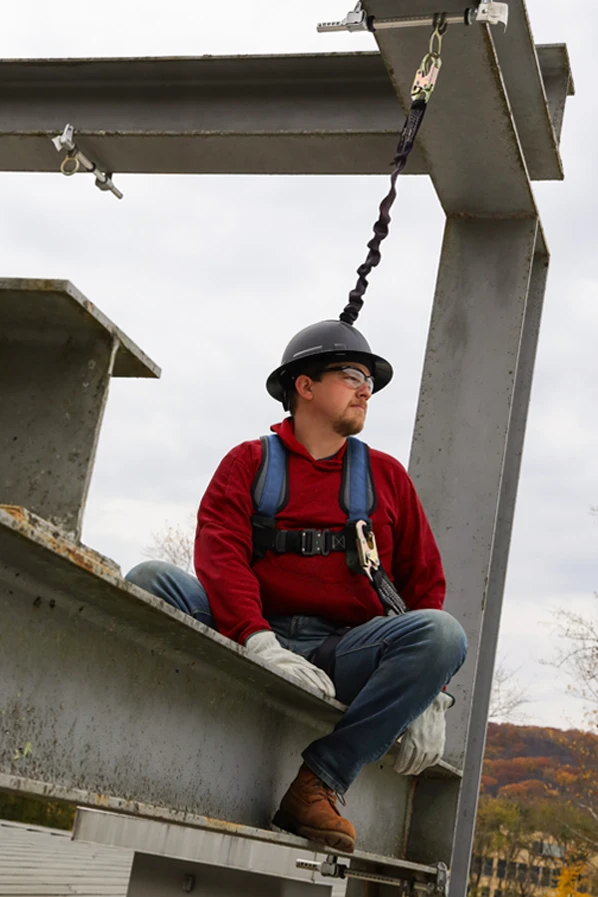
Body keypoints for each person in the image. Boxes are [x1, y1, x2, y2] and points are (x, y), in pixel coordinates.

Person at [126, 318, 467, 854]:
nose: (365, 390)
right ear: (304, 385)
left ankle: (319, 783)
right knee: (149, 581)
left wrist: (431, 696)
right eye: (352, 375)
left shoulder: (387, 478)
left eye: (370, 382)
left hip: (340, 652)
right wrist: (257, 637)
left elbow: (425, 586)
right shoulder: (249, 463)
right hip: (250, 629)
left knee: (442, 635)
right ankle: (153, 736)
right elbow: (220, 557)